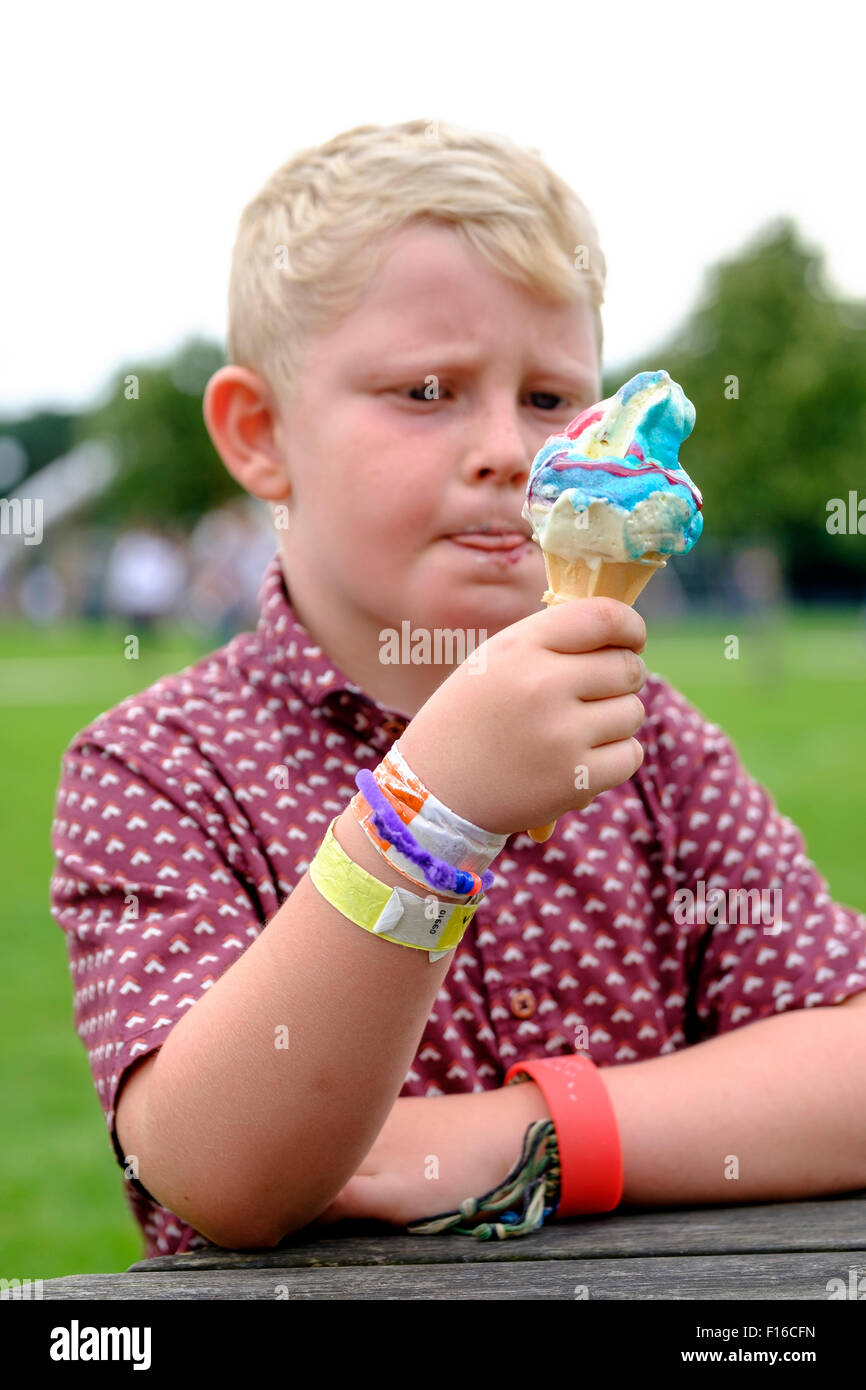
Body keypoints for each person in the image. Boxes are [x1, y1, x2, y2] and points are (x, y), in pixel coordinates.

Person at [50, 119, 866, 1261]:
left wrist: (520, 1133)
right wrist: (434, 810)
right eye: (425, 391)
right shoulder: (161, 766)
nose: (505, 450)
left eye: (547, 400)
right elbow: (216, 1171)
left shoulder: (655, 747)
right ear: (259, 434)